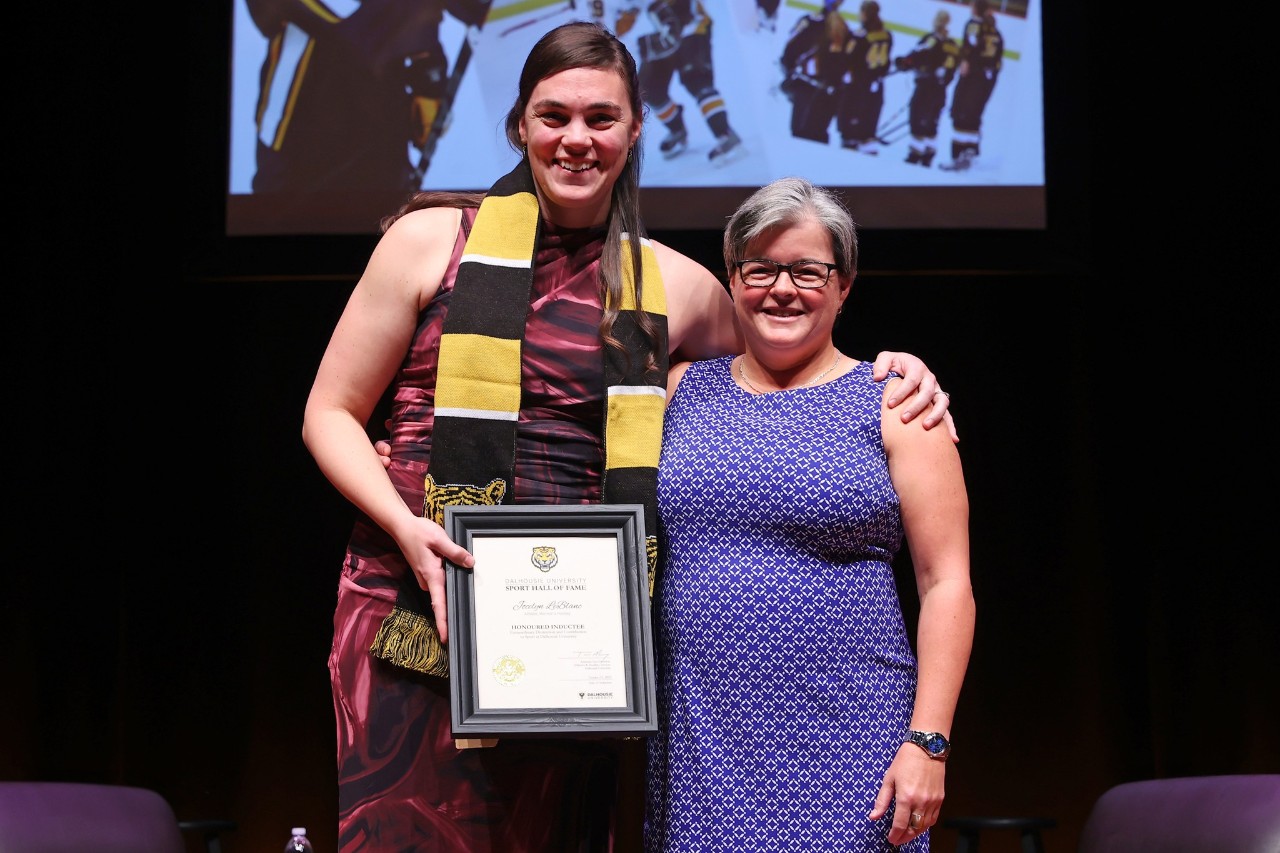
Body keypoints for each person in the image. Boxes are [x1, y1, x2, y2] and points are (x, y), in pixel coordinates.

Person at [304, 21, 953, 851]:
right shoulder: (429, 241)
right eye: (555, 115)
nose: (577, 138)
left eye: (602, 118)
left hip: (584, 640)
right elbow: (328, 413)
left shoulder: (676, 284)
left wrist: (894, 370)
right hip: (416, 601)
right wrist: (406, 528)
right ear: (520, 124)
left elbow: (789, 366)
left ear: (637, 128)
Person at [644, 177, 973, 851]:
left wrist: (929, 743)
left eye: (808, 270)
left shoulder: (897, 403)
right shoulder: (678, 391)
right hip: (702, 742)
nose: (782, 289)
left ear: (844, 284)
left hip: (853, 740)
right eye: (759, 268)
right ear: (733, 280)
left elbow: (948, 585)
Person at [245, 0, 489, 195]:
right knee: (293, 207)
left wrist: (427, 75)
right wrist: (425, 68)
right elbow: (349, 17)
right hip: (307, 113)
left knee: (382, 207)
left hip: (380, 110)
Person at [631, 0, 745, 164]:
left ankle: (725, 134)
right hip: (661, 32)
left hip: (690, 26)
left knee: (697, 80)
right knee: (648, 89)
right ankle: (677, 130)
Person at [778, 0, 854, 146]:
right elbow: (848, 62)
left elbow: (789, 51)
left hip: (806, 87)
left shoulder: (810, 21)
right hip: (830, 91)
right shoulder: (845, 29)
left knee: (800, 134)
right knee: (818, 135)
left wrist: (789, 72)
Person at [940, 0, 1003, 171]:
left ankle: (959, 155)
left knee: (960, 112)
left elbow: (971, 45)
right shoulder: (995, 30)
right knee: (974, 114)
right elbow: (998, 58)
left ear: (975, 8)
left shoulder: (974, 24)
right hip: (988, 78)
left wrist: (967, 61)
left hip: (974, 76)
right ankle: (971, 151)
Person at [895, 9, 960, 168]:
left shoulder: (931, 40)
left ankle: (915, 153)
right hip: (941, 90)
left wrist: (903, 63)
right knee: (932, 122)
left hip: (926, 87)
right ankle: (929, 154)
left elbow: (917, 56)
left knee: (917, 118)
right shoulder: (953, 46)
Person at [836, 0, 893, 154]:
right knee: (868, 130)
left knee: (850, 130)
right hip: (876, 87)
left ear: (865, 14)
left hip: (858, 87)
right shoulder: (887, 35)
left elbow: (847, 58)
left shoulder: (859, 36)